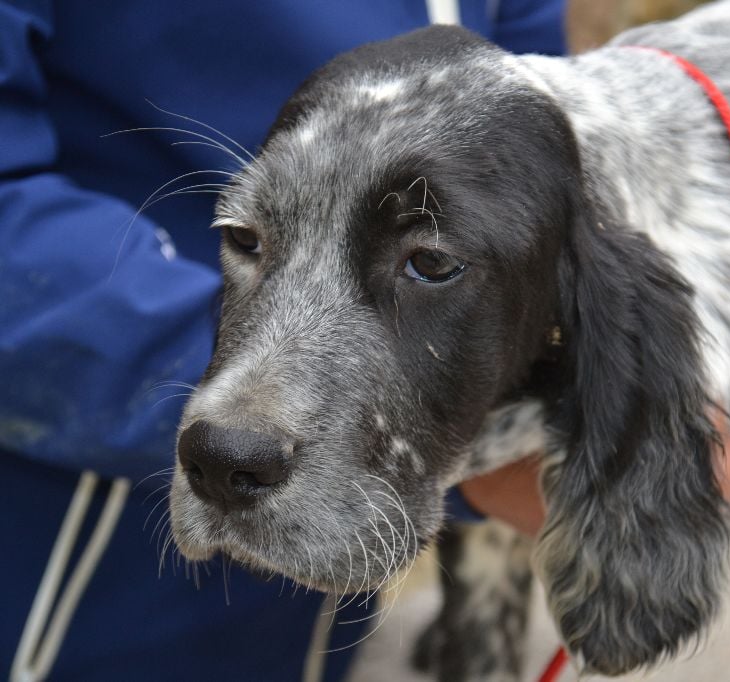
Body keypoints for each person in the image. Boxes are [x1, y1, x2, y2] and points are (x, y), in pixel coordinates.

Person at [0, 2, 564, 680]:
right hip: (78, 583)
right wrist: (481, 465)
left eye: (428, 262)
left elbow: (544, 210)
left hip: (323, 617)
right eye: (245, 238)